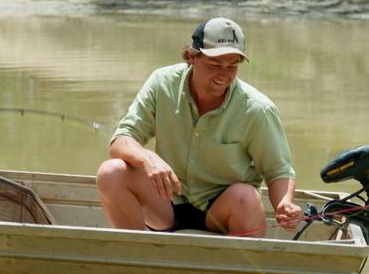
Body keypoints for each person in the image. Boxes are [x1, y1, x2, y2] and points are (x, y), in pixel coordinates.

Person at [96, 17, 302, 237]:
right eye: (215, 65)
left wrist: (285, 204)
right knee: (111, 172)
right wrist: (147, 158)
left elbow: (278, 170)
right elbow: (122, 139)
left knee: (246, 196)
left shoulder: (258, 109)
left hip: (224, 211)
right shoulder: (162, 83)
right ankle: (133, 258)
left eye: (232, 66)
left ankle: (240, 271)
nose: (224, 75)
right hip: (167, 202)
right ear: (192, 57)